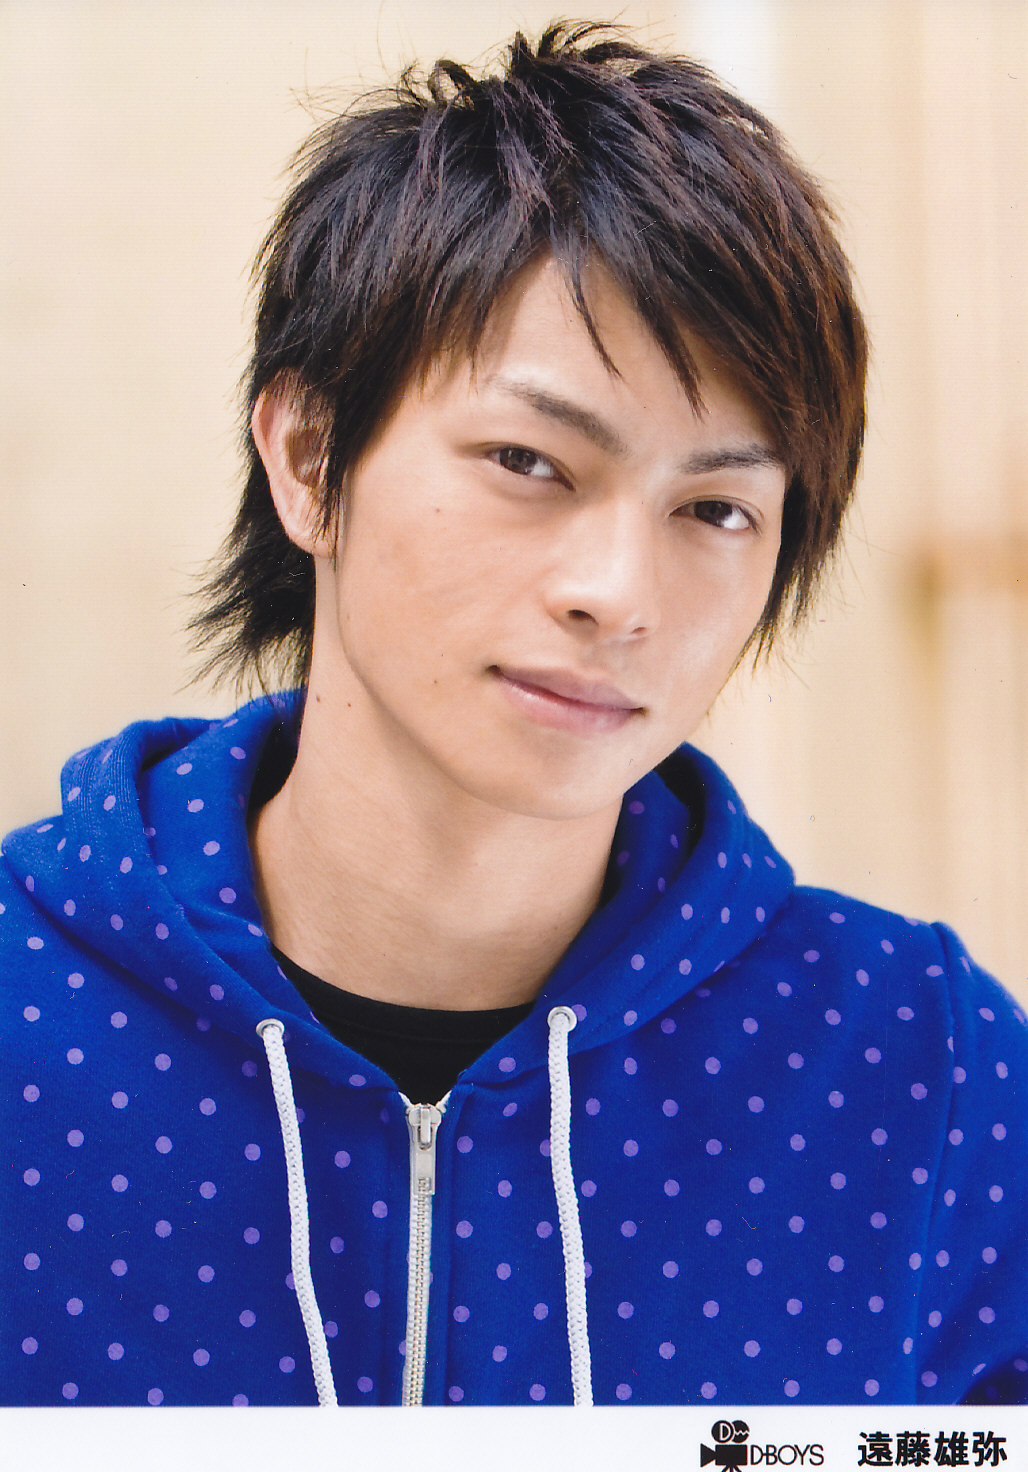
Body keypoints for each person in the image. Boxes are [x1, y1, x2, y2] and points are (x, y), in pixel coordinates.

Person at [4, 21, 1026, 1409]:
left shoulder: (921, 1069)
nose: (619, 593)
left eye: (715, 509)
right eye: (529, 462)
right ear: (308, 457)